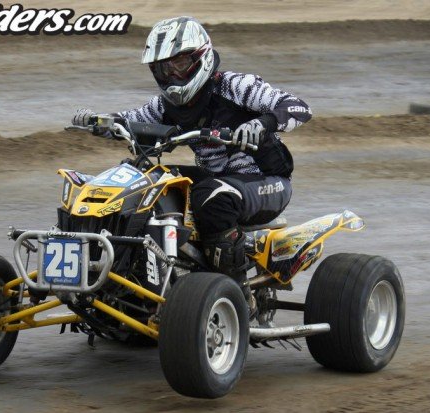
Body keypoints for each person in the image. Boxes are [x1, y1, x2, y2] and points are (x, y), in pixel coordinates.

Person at [72, 16, 312, 308]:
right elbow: (131, 121)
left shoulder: (236, 86)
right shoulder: (166, 105)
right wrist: (100, 122)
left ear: (202, 58)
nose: (171, 74)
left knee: (213, 197)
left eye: (180, 63)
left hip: (265, 181)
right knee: (145, 178)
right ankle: (131, 281)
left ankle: (237, 296)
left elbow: (298, 107)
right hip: (216, 181)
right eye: (163, 67)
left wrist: (263, 124)